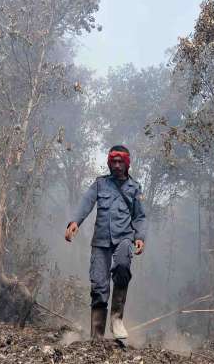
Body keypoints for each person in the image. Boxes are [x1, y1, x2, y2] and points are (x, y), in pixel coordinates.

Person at [65, 145, 146, 340]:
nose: (116, 166)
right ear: (109, 163)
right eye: (113, 162)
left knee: (122, 266)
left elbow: (140, 216)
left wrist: (140, 237)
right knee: (99, 287)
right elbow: (86, 201)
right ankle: (97, 337)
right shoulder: (100, 184)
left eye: (120, 162)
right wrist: (75, 221)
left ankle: (117, 318)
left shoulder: (134, 188)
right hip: (101, 241)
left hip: (124, 238)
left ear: (127, 164)